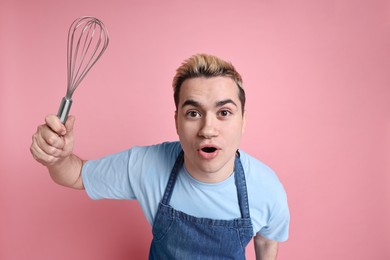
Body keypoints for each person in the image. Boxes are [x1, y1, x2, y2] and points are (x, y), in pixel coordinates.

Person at [30, 53, 290, 259]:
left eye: (224, 113)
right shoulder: (147, 165)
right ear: (177, 122)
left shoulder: (267, 188)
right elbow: (75, 175)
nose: (208, 130)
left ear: (243, 121)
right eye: (193, 113)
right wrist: (58, 158)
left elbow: (266, 241)